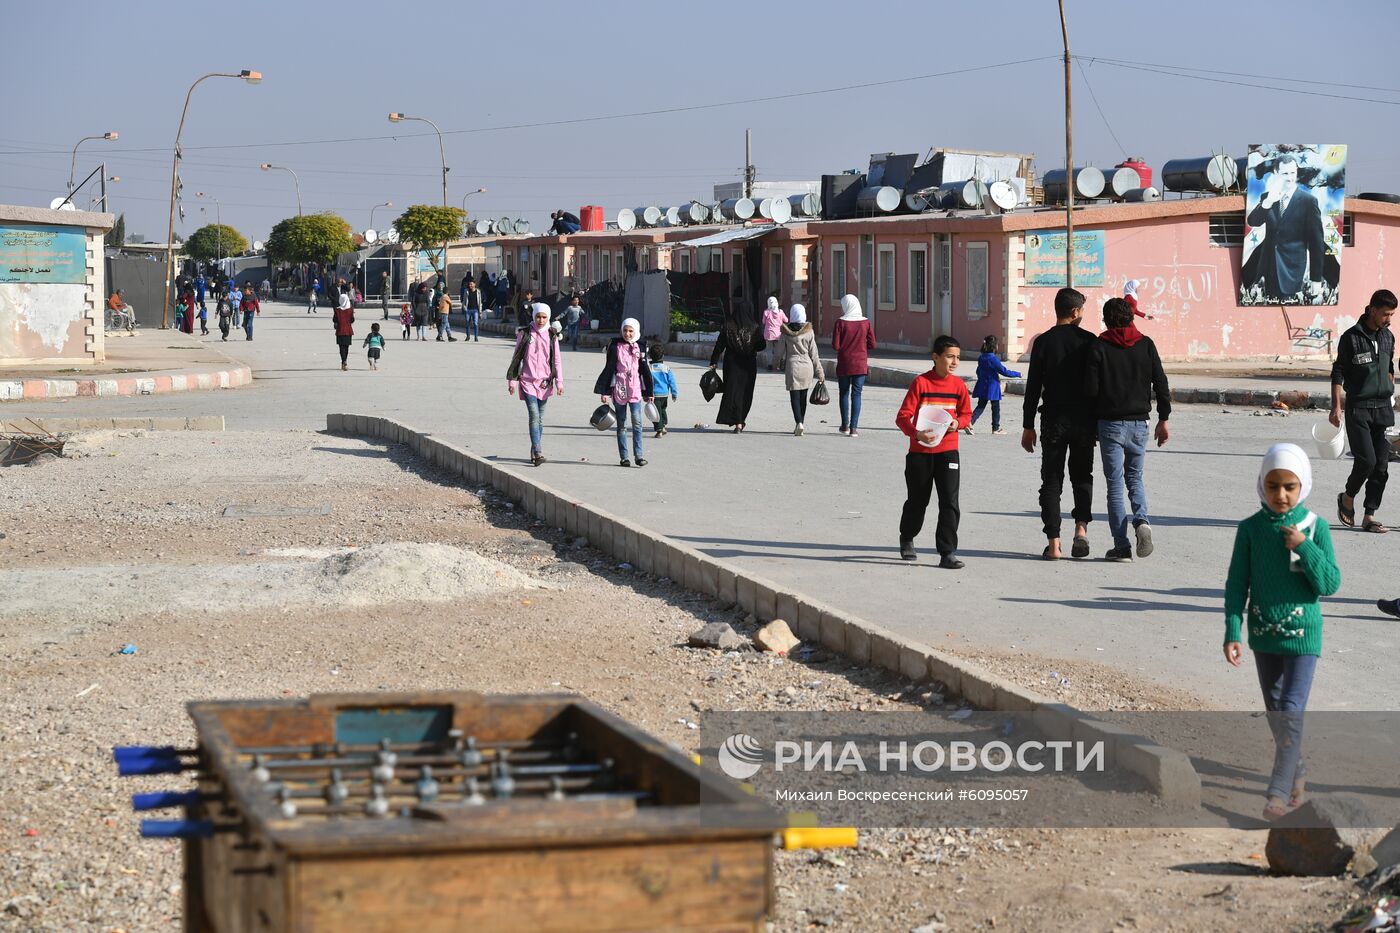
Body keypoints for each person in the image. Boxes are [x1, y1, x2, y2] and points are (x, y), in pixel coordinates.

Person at [1223, 443, 1340, 820]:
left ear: (1302, 485)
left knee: (1290, 710)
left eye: (1290, 486)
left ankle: (1276, 793)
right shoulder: (1251, 530)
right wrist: (1232, 630)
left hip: (1304, 637)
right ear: (1262, 485)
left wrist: (1304, 548)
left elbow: (1329, 584)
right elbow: (1236, 584)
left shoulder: (1314, 527)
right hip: (1264, 636)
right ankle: (1298, 772)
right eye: (1273, 486)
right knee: (1276, 712)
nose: (1281, 495)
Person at [1085, 297, 1172, 562]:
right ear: (1132, 318)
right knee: (1134, 478)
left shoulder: (1098, 346)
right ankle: (1142, 521)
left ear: (1106, 319)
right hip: (1140, 424)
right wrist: (1163, 418)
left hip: (1109, 424)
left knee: (1114, 485)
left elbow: (1090, 390)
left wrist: (1090, 424)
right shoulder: (1146, 344)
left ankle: (1121, 546)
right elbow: (1161, 382)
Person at [1022, 287, 1099, 560]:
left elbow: (1033, 387)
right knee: (1082, 476)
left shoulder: (1043, 342)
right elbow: (1096, 386)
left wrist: (1027, 424)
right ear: (1076, 312)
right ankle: (1081, 530)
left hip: (1053, 420)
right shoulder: (1090, 341)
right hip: (1083, 421)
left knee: (1052, 480)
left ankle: (1053, 544)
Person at [895, 335, 973, 569]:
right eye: (950, 356)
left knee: (950, 501)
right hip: (920, 452)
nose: (954, 362)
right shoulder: (921, 384)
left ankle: (947, 552)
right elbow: (902, 417)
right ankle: (907, 537)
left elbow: (966, 414)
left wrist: (957, 423)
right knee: (918, 500)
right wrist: (916, 434)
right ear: (935, 357)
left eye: (958, 358)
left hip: (948, 452)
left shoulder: (958, 386)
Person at [1331, 289, 1398, 532]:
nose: (1389, 319)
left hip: (1382, 409)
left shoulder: (1388, 337)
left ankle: (1369, 515)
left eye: (1392, 314)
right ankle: (1348, 497)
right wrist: (1336, 406)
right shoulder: (1351, 338)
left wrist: (1389, 384)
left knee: (1381, 466)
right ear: (1372, 309)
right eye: (1385, 314)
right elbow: (1338, 372)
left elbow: (1389, 365)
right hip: (1358, 408)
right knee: (1366, 461)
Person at [1245, 154, 1326, 303]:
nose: (1289, 178)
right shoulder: (1267, 197)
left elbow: (1317, 243)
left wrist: (1316, 279)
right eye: (1285, 174)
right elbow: (1253, 221)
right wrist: (1268, 202)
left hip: (1292, 271)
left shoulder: (1308, 202)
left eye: (1292, 173)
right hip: (1267, 269)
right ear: (1276, 173)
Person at [507, 303, 564, 466]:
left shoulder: (552, 335)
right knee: (534, 415)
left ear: (548, 318)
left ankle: (534, 449)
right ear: (534, 317)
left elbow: (557, 360)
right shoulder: (525, 333)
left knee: (540, 419)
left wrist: (559, 382)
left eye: (544, 317)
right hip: (527, 380)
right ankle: (538, 451)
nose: (540, 320)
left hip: (545, 383)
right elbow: (516, 358)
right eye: (538, 317)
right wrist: (512, 380)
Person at [594, 317, 653, 467]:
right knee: (621, 424)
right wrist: (605, 391)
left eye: (631, 331)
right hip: (619, 388)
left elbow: (645, 371)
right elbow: (609, 369)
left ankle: (639, 456)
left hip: (635, 389)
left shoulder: (641, 346)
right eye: (625, 330)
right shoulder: (615, 346)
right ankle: (624, 457)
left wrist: (649, 392)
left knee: (637, 422)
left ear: (636, 331)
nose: (628, 333)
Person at [707, 301, 766, 432]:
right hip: (748, 365)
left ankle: (735, 420)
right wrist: (753, 346)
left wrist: (713, 361)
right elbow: (762, 345)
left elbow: (719, 345)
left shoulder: (728, 326)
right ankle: (740, 421)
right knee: (745, 392)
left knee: (733, 391)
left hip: (731, 364)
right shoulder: (754, 327)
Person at [779, 304, 825, 437]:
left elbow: (779, 351)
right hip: (807, 366)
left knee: (794, 397)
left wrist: (775, 363)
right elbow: (814, 354)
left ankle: (798, 422)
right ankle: (802, 422)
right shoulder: (809, 331)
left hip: (792, 366)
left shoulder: (785, 332)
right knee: (803, 397)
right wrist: (820, 372)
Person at [832, 294, 875, 436]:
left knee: (844, 393)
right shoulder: (866, 322)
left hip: (844, 363)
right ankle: (854, 428)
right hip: (860, 363)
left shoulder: (840, 322)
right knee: (857, 394)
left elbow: (835, 345)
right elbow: (872, 344)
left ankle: (844, 425)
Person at [968, 335, 1021, 436]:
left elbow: (978, 371)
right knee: (995, 407)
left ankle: (970, 422)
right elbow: (1004, 371)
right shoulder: (993, 359)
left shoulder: (981, 357)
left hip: (982, 385)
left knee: (980, 406)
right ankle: (995, 428)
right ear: (994, 346)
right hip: (992, 386)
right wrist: (1017, 374)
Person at [647, 344, 677, 437]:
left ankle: (659, 430)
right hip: (664, 394)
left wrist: (644, 393)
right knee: (663, 409)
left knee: (655, 413)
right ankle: (663, 425)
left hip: (654, 395)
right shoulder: (666, 368)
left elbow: (645, 382)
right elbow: (672, 381)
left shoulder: (649, 368)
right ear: (663, 356)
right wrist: (674, 393)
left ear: (649, 356)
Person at [760, 296, 785, 371]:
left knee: (769, 350)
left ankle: (770, 365)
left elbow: (763, 322)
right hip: (778, 334)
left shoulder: (766, 312)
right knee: (779, 350)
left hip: (769, 334)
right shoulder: (781, 312)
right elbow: (786, 320)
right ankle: (780, 364)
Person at [333, 291, 355, 371]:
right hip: (348, 331)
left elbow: (334, 319)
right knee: (346, 347)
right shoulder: (350, 310)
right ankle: (345, 361)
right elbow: (352, 320)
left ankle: (343, 361)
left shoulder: (337, 310)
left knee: (341, 347)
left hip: (340, 331)